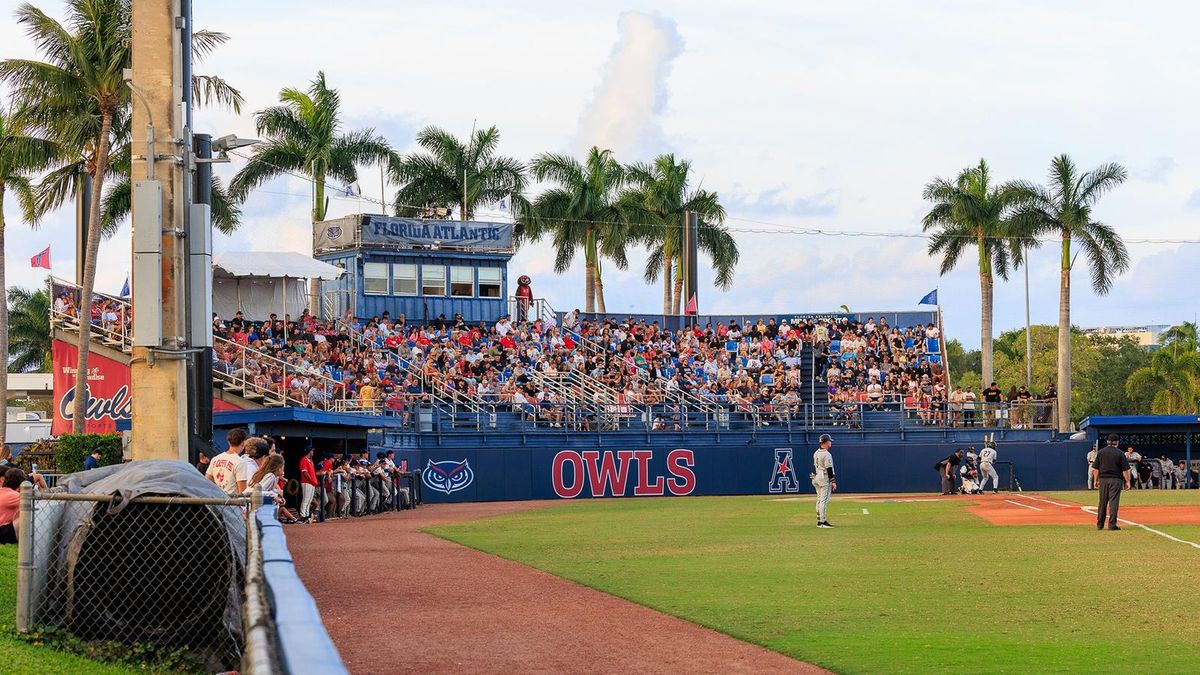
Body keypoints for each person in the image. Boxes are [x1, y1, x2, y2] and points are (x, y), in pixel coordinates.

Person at [1092, 434, 1131, 530]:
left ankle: (1100, 524)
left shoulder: (1101, 452)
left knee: (1102, 502)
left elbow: (1096, 468)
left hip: (1103, 480)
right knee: (1114, 502)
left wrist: (1095, 480)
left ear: (1108, 442)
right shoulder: (1120, 453)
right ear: (1117, 442)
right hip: (1116, 480)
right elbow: (1125, 470)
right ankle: (1112, 524)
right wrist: (1128, 481)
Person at [206, 428, 248, 495]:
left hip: (218, 500)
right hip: (232, 503)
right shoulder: (240, 462)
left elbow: (207, 481)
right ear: (243, 443)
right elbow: (242, 491)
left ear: (228, 442)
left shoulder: (215, 459)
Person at [811, 434, 836, 528]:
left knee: (819, 499)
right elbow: (829, 469)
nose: (830, 442)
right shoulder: (826, 454)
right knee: (824, 500)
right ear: (825, 442)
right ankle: (822, 522)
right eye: (829, 441)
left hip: (817, 476)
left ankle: (819, 520)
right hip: (824, 477)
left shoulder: (816, 452)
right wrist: (833, 481)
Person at [0, 468, 25, 544]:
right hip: (3, 531)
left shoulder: (2, 491)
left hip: (3, 529)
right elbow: (36, 503)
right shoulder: (14, 496)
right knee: (25, 515)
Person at [299, 447, 319, 523]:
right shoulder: (304, 460)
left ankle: (307, 515)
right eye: (312, 451)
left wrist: (314, 481)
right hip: (306, 482)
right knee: (305, 500)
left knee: (309, 500)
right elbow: (305, 473)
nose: (313, 452)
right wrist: (312, 480)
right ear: (309, 451)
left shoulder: (310, 460)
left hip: (311, 483)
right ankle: (303, 516)